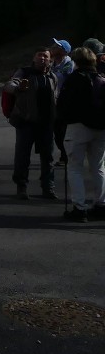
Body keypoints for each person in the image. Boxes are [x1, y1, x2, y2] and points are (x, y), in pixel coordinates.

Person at [56, 47, 105, 222]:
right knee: (98, 167)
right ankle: (101, 204)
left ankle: (79, 207)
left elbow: (62, 105)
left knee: (75, 167)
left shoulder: (74, 79)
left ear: (76, 61)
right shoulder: (100, 79)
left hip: (78, 126)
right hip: (100, 128)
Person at [3, 48, 58, 200]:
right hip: (26, 122)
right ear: (34, 58)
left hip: (46, 123)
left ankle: (48, 187)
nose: (42, 58)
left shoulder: (53, 76)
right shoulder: (24, 72)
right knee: (22, 157)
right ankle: (21, 187)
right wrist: (18, 88)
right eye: (39, 55)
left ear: (50, 60)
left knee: (48, 158)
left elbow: (56, 97)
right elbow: (9, 85)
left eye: (45, 56)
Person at [50, 38, 75, 164]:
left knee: (62, 132)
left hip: (64, 103)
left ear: (63, 51)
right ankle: (64, 155)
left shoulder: (69, 64)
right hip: (52, 102)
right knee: (56, 133)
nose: (53, 47)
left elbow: (65, 80)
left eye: (56, 46)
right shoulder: (51, 63)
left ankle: (67, 156)